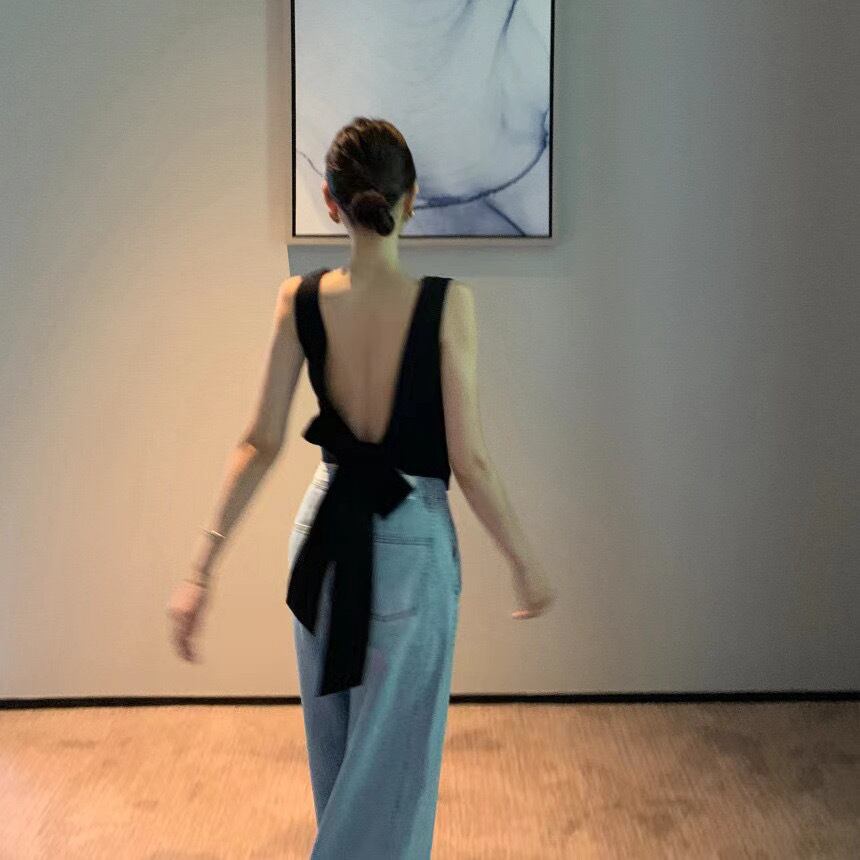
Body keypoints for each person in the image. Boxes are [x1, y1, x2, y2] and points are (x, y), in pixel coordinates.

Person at [166, 116, 556, 858]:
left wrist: (200, 569)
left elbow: (258, 443)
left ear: (330, 200)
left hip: (322, 534)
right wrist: (524, 562)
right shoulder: (448, 305)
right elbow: (470, 461)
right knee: (393, 778)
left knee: (341, 765)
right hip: (410, 541)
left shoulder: (300, 300)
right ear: (413, 200)